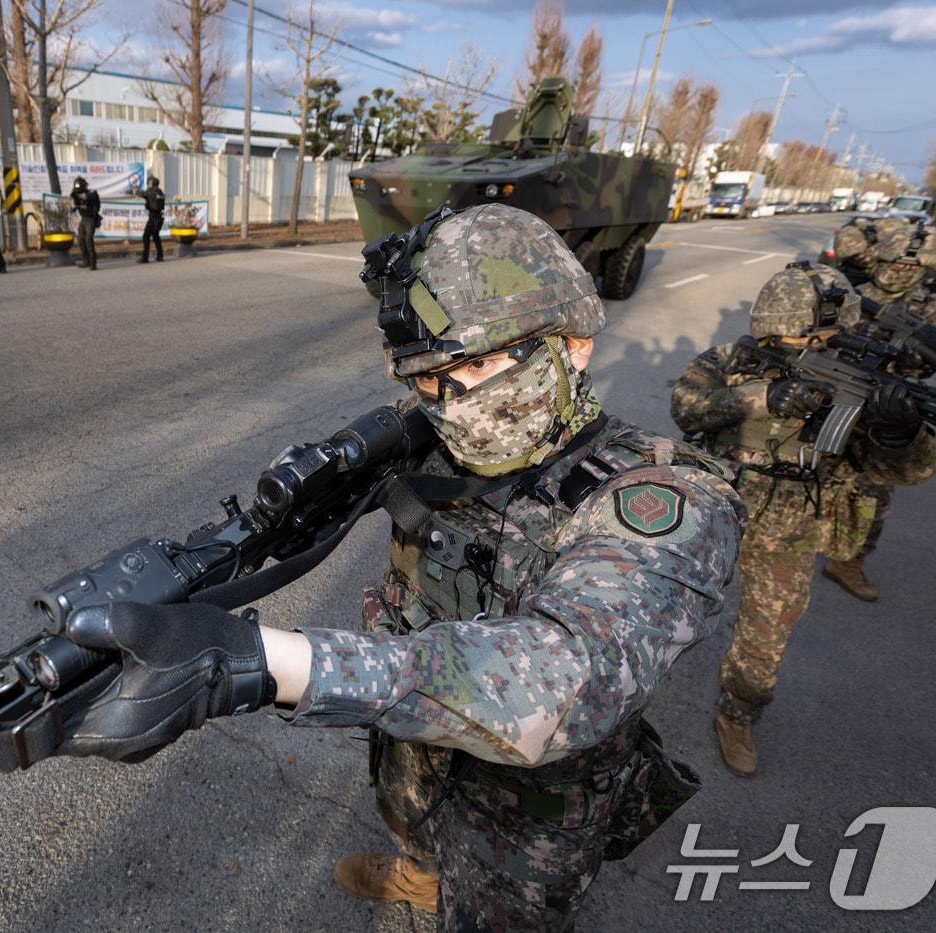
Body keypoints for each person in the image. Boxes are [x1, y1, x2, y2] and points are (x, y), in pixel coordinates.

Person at [50, 204, 746, 930]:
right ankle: (419, 870)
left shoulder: (665, 498)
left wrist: (268, 661)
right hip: (416, 752)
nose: (451, 403)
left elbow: (565, 677)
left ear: (573, 344)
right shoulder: (441, 440)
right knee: (413, 824)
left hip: (526, 822)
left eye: (475, 365)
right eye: (429, 378)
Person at [670, 263, 936, 778]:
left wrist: (895, 433)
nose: (816, 344)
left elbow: (910, 470)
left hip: (791, 526)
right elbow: (686, 406)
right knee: (662, 600)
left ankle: (738, 714)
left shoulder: (860, 380)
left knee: (767, 634)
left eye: (824, 335)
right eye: (802, 335)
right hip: (714, 505)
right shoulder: (734, 359)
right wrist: (762, 397)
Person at [828, 218, 936, 600]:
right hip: (836, 392)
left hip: (888, 405)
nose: (900, 272)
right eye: (895, 263)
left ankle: (848, 562)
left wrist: (921, 355)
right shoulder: (849, 293)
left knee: (874, 491)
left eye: (911, 267)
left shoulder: (930, 306)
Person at [71, 176, 101, 270]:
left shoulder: (92, 193)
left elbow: (89, 197)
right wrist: (74, 206)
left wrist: (78, 195)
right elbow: (75, 202)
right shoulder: (76, 194)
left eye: (78, 185)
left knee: (88, 239)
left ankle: (93, 263)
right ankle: (86, 261)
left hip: (91, 219)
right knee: (80, 239)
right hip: (83, 219)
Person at [139, 175, 165, 263]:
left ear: (152, 183)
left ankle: (145, 257)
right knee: (156, 236)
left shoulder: (151, 191)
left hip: (153, 217)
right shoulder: (160, 192)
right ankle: (160, 255)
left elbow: (141, 194)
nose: (148, 184)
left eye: (149, 183)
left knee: (146, 236)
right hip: (160, 217)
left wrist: (134, 191)